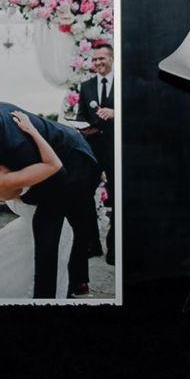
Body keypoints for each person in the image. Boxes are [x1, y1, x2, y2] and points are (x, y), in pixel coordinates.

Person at [0, 103, 102, 299]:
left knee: (54, 228)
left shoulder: (15, 145)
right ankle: (71, 287)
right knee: (65, 225)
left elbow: (56, 174)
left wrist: (29, 193)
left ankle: (55, 293)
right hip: (52, 161)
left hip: (74, 162)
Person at [75, 43, 117, 264]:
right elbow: (82, 114)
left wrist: (116, 112)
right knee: (83, 193)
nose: (98, 63)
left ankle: (114, 248)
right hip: (92, 149)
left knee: (118, 196)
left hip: (116, 149)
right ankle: (93, 244)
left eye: (102, 58)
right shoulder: (87, 86)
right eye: (94, 60)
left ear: (112, 58)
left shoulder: (122, 82)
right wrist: (81, 126)